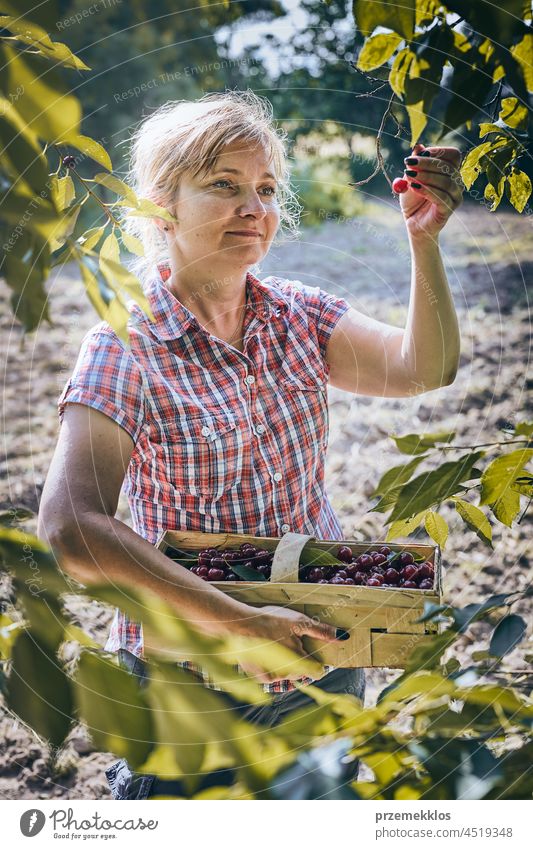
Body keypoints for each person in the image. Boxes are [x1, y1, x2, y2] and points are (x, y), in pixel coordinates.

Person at [37, 90, 463, 799]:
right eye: (223, 186)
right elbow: (73, 529)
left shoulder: (298, 315)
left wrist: (423, 240)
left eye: (265, 189)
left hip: (318, 644)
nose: (253, 207)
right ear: (158, 207)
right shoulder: (125, 344)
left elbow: (425, 367)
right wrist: (239, 622)